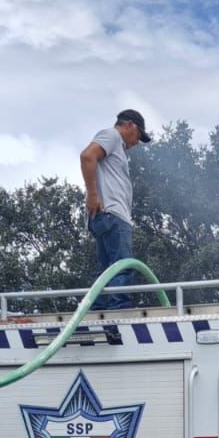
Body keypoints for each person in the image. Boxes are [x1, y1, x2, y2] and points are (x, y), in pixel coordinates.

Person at [79, 109, 152, 309]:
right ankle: (119, 314)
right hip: (113, 214)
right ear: (130, 125)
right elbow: (87, 156)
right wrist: (93, 195)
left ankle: (99, 311)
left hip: (106, 215)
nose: (136, 142)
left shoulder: (116, 145)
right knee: (122, 267)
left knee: (107, 271)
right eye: (138, 136)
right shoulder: (111, 136)